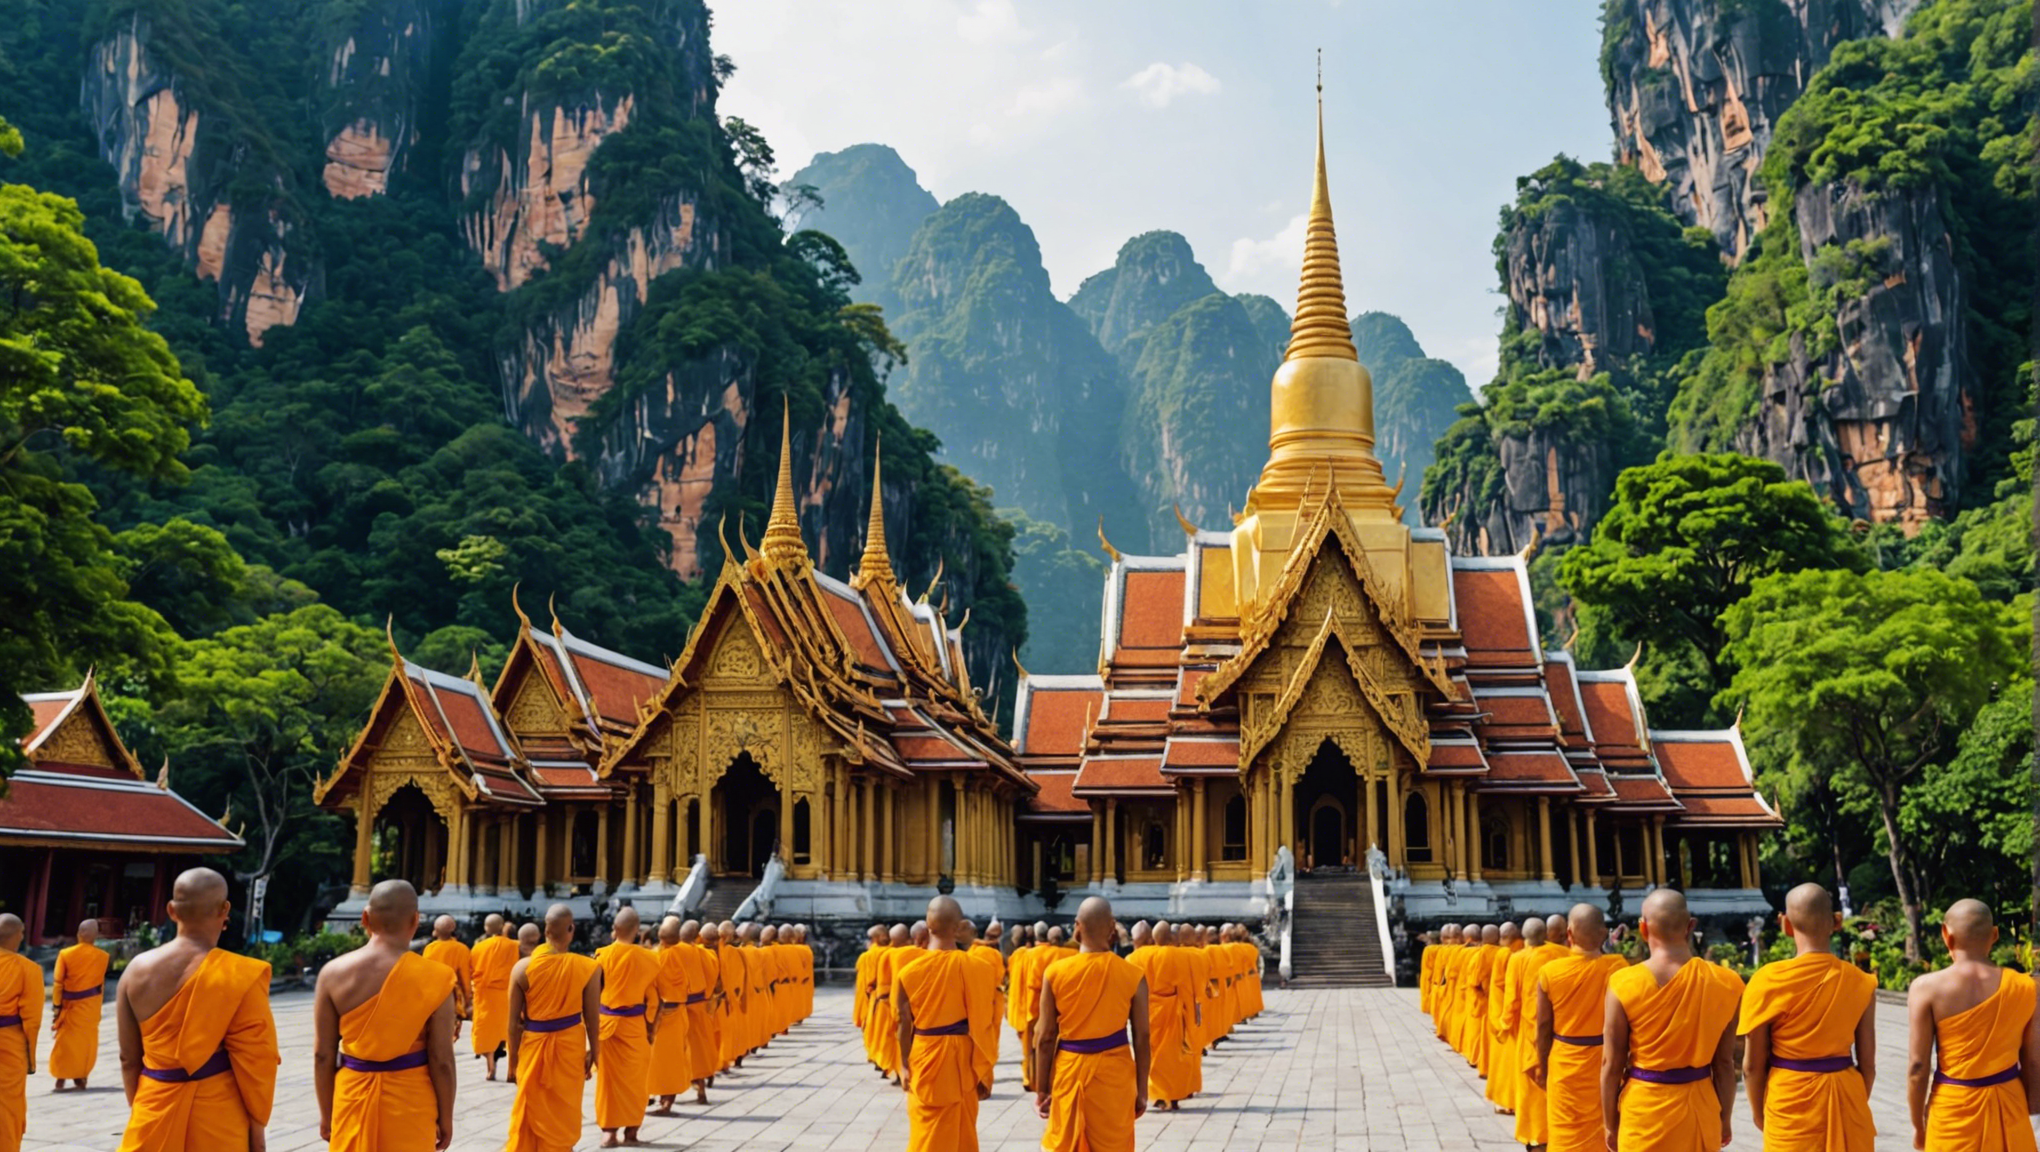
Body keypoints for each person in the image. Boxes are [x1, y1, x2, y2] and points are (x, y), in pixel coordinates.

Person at [115, 868, 279, 1152]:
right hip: (218, 1117)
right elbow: (255, 1062)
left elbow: (129, 1059)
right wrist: (257, 1131)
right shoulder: (239, 975)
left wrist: (143, 1106)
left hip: (153, 1105)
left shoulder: (135, 971)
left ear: (171, 910)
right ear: (225, 909)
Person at [313, 880, 458, 1152]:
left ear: (365, 918)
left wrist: (327, 1113)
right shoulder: (436, 977)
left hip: (351, 1097)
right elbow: (442, 1060)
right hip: (411, 1103)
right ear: (416, 920)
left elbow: (323, 1055)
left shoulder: (332, 974)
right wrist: (446, 1117)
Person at [1602, 889, 1744, 1152]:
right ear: (1691, 926)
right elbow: (1724, 1064)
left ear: (1643, 928)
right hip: (1700, 1109)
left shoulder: (1623, 984)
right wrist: (1723, 1119)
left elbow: (1612, 1065)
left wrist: (1610, 1124)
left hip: (1644, 1112)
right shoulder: (1727, 982)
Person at [1738, 883, 1877, 1151]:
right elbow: (1868, 1064)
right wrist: (1854, 1100)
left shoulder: (1767, 980)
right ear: (1836, 921)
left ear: (1785, 925)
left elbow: (1752, 1066)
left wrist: (1759, 1113)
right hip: (1848, 1098)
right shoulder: (1860, 981)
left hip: (1790, 1103)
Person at [1906, 898, 2040, 1152]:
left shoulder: (1927, 988)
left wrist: (1917, 1126)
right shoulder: (2026, 987)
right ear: (1995, 935)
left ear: (1946, 934)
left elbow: (1917, 1067)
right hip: (2009, 1109)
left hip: (1953, 1109)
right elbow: (2033, 1061)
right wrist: (2032, 1117)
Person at [1035, 897, 1150, 1152]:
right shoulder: (1133, 975)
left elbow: (1045, 1037)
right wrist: (1142, 1090)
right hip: (1115, 1075)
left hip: (1070, 1071)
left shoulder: (1055, 973)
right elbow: (1142, 1036)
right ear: (1112, 928)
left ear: (1077, 926)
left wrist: (1042, 1089)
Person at [895, 897, 997, 1152]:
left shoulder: (908, 972)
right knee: (961, 1132)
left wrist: (905, 1065)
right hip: (962, 1058)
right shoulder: (980, 968)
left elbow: (903, 1025)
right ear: (959, 926)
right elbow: (985, 1021)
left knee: (925, 1135)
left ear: (928, 926)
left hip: (925, 1055)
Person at [504, 904, 601, 1152]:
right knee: (563, 1112)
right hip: (570, 1047)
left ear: (545, 931)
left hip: (533, 1048)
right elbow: (592, 1019)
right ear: (571, 929)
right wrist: (595, 1054)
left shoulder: (521, 968)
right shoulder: (588, 967)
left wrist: (513, 1062)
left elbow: (513, 1024)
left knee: (531, 1108)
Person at [1535, 904, 1627, 1152]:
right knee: (1604, 1129)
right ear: (1603, 934)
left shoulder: (1550, 972)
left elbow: (1543, 1027)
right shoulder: (1619, 968)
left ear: (1569, 933)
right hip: (1607, 1060)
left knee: (1566, 1130)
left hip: (1565, 1059)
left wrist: (1542, 1066)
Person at [593, 907, 658, 1148]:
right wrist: (651, 1026)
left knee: (608, 1082)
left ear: (614, 930)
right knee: (636, 1081)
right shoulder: (650, 958)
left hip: (607, 1026)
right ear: (637, 931)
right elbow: (654, 998)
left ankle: (608, 1133)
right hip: (635, 1027)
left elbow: (593, 994)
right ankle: (631, 1132)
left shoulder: (601, 956)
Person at [1512, 914, 1569, 1150]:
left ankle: (1538, 1138)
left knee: (1535, 1095)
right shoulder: (1568, 957)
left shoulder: (1528, 959)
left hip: (1534, 1035)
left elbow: (1522, 1004)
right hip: (1571, 1040)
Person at [1128, 921, 1195, 1110]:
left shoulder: (1135, 957)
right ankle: (1172, 1096)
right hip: (1171, 1008)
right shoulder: (1176, 955)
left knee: (1150, 1053)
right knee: (1171, 1055)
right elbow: (1186, 984)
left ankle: (1156, 1095)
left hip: (1145, 1009)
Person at [48, 918, 109, 1091]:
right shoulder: (103, 957)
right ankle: (81, 1077)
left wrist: (56, 1007)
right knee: (85, 1044)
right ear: (96, 936)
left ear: (78, 934)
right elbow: (100, 986)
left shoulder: (66, 954)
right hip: (89, 1008)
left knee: (65, 1043)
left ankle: (61, 1078)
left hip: (69, 1006)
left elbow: (58, 983)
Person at [0, 914, 41, 1152]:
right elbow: (32, 1020)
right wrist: (31, 1061)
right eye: (22, 932)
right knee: (7, 1106)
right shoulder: (28, 969)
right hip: (9, 1046)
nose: (23, 936)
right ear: (16, 936)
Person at [470, 914, 518, 1080]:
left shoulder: (477, 948)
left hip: (485, 997)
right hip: (508, 994)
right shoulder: (514, 946)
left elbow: (472, 971)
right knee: (510, 1032)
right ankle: (512, 1070)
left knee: (487, 1033)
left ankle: (490, 1069)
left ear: (485, 928)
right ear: (502, 926)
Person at [1486, 920, 1523, 1111]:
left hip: (1501, 1011)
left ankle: (1505, 1101)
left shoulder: (1506, 954)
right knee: (1513, 1061)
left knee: (1504, 1062)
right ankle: (1512, 1101)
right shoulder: (1514, 953)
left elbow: (1501, 985)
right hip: (1515, 1014)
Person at [870, 924, 912, 1082]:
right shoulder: (919, 953)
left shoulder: (886, 955)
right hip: (912, 1004)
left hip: (890, 1003)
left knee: (891, 1038)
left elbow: (880, 984)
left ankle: (892, 1069)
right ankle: (899, 1070)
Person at [421, 916, 473, 1038]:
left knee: (434, 1031)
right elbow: (465, 978)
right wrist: (468, 999)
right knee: (449, 1032)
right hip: (452, 997)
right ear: (453, 929)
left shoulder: (429, 948)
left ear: (435, 930)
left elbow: (424, 976)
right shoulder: (461, 949)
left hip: (432, 996)